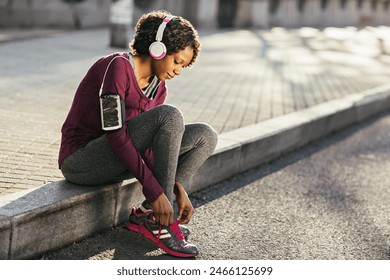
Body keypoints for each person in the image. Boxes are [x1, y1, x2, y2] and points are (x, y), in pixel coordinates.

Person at [58, 10, 218, 258]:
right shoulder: (116, 67)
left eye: (183, 67)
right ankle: (160, 221)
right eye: (177, 62)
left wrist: (176, 188)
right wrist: (156, 193)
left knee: (205, 135)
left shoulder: (158, 87)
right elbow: (115, 135)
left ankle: (147, 216)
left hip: (116, 160)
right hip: (82, 162)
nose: (178, 71)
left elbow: (151, 148)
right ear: (158, 49)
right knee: (170, 115)